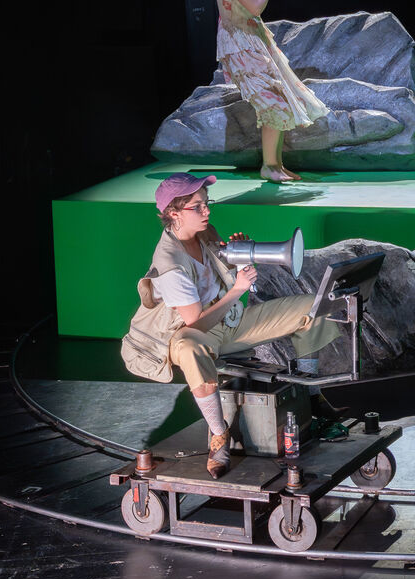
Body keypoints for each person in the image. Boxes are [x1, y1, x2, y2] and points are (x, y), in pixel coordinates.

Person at [143, 172, 343, 478]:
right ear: (173, 213)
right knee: (189, 346)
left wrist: (238, 256)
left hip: (231, 321)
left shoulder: (205, 233)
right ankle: (218, 434)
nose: (206, 211)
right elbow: (196, 323)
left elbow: (219, 273)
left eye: (207, 203)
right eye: (197, 207)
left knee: (312, 307)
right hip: (197, 333)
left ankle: (311, 395)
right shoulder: (170, 264)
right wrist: (238, 289)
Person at [208, 0, 328, 183]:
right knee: (273, 103)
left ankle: (275, 165)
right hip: (240, 44)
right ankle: (270, 166)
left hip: (253, 38)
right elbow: (255, 7)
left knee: (276, 101)